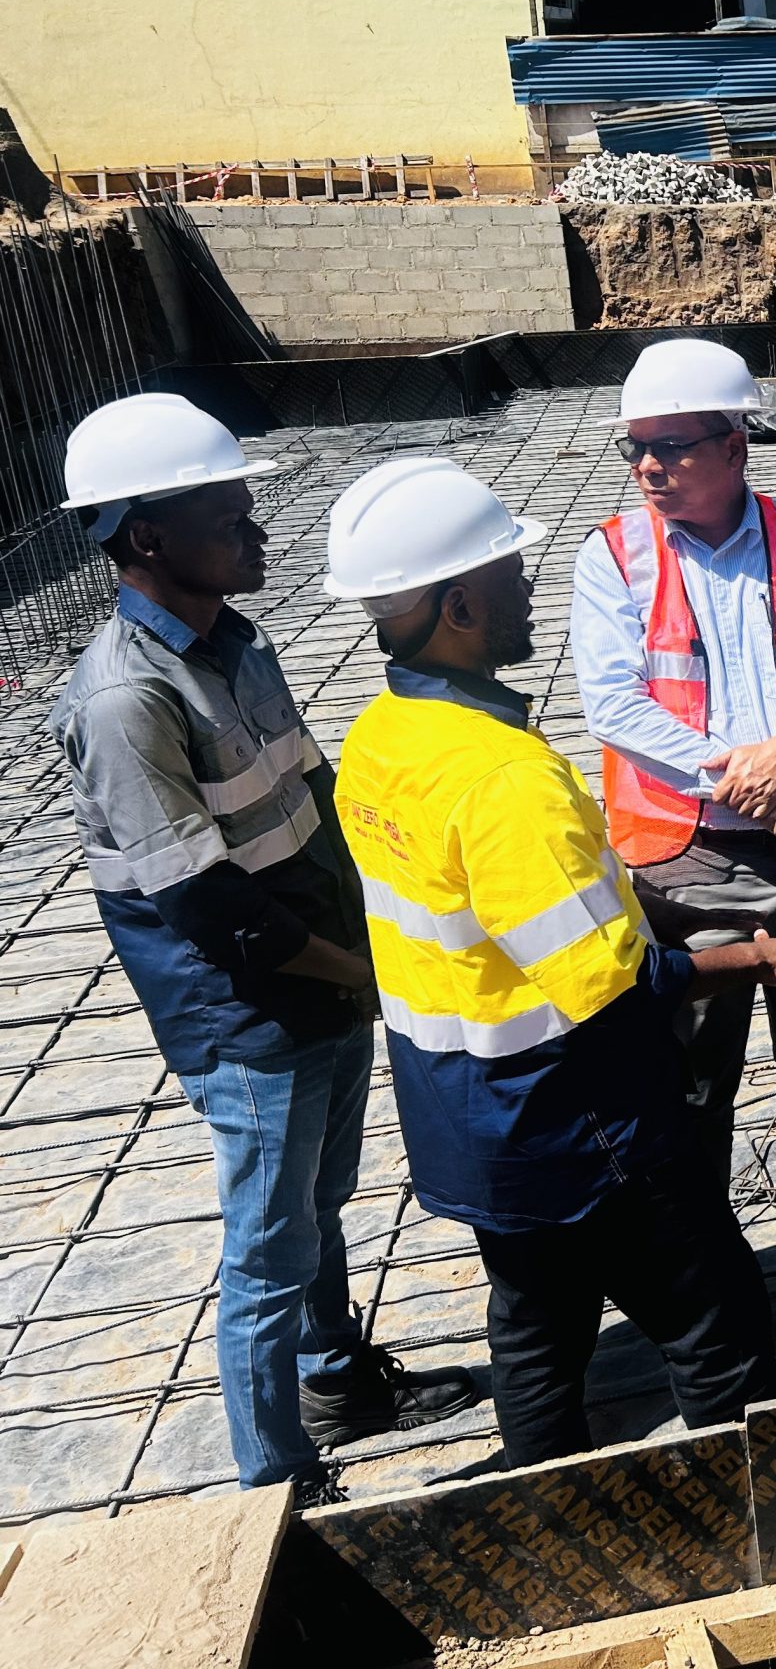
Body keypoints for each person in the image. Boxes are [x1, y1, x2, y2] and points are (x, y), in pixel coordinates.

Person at [326, 457, 776, 1468]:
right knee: (719, 1328)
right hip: (577, 1118)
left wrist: (639, 898)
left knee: (536, 1329)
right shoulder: (503, 777)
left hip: (462, 1117)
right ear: (459, 603)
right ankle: (758, 1533)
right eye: (514, 574)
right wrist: (757, 957)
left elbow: (500, 913)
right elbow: (610, 985)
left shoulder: (381, 737)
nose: (531, 589)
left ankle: (553, 1513)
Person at [47, 395, 470, 1508]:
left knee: (316, 1204)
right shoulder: (128, 697)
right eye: (229, 517)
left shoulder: (236, 643)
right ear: (147, 537)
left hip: (318, 973)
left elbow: (309, 796)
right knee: (267, 1247)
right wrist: (362, 970)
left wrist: (382, 918)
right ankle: (275, 1481)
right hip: (243, 1011)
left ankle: (339, 1383)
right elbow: (208, 910)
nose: (257, 533)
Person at [569, 338, 776, 1315]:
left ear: (736, 445)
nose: (648, 467)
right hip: (694, 863)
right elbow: (615, 708)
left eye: (672, 447)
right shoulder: (614, 556)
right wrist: (760, 784)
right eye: (636, 447)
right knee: (693, 1080)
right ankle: (707, 1264)